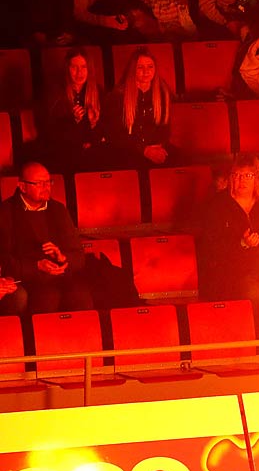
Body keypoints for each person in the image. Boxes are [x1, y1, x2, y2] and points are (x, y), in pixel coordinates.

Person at [196, 155, 259, 303]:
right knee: (253, 292)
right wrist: (242, 244)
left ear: (257, 178)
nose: (242, 180)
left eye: (248, 175)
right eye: (237, 175)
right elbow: (211, 247)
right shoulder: (218, 205)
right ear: (231, 178)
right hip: (233, 271)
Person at [1, 163, 93, 313]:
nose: (46, 187)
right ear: (22, 187)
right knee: (47, 297)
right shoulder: (6, 212)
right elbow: (5, 261)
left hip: (58, 276)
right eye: (39, 183)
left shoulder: (58, 209)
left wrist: (63, 258)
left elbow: (78, 256)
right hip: (26, 277)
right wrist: (36, 265)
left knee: (80, 295)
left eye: (48, 182)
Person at [35, 50, 107, 173]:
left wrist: (93, 124)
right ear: (67, 69)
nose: (79, 72)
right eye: (74, 67)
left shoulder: (97, 91)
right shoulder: (54, 93)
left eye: (83, 67)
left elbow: (104, 131)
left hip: (90, 151)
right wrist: (74, 122)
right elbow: (48, 131)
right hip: (63, 151)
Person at [107, 49, 176, 167]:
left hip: (156, 147)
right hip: (129, 150)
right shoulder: (119, 95)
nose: (146, 72)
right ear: (133, 69)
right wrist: (144, 150)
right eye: (140, 67)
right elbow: (115, 134)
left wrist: (157, 147)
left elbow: (165, 127)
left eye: (150, 67)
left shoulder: (163, 92)